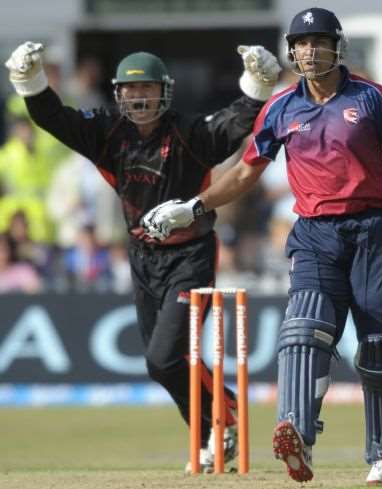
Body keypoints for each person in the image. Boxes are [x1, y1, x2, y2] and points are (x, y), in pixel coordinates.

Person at [140, 7, 382, 485]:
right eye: (301, 44)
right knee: (301, 332)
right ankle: (297, 433)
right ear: (292, 50)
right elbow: (245, 171)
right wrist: (194, 206)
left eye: (318, 42)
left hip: (372, 231)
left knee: (381, 349)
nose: (308, 50)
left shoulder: (371, 98)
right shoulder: (281, 107)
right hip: (314, 234)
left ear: (336, 46)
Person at [5, 41, 281, 471]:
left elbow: (236, 122)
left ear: (163, 92)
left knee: (165, 357)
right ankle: (212, 430)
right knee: (163, 365)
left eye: (147, 90)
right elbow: (52, 118)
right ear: (118, 94)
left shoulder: (189, 133)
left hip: (191, 255)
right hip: (142, 257)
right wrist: (30, 81)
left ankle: (225, 413)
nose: (138, 98)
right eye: (130, 92)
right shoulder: (107, 135)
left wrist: (259, 82)